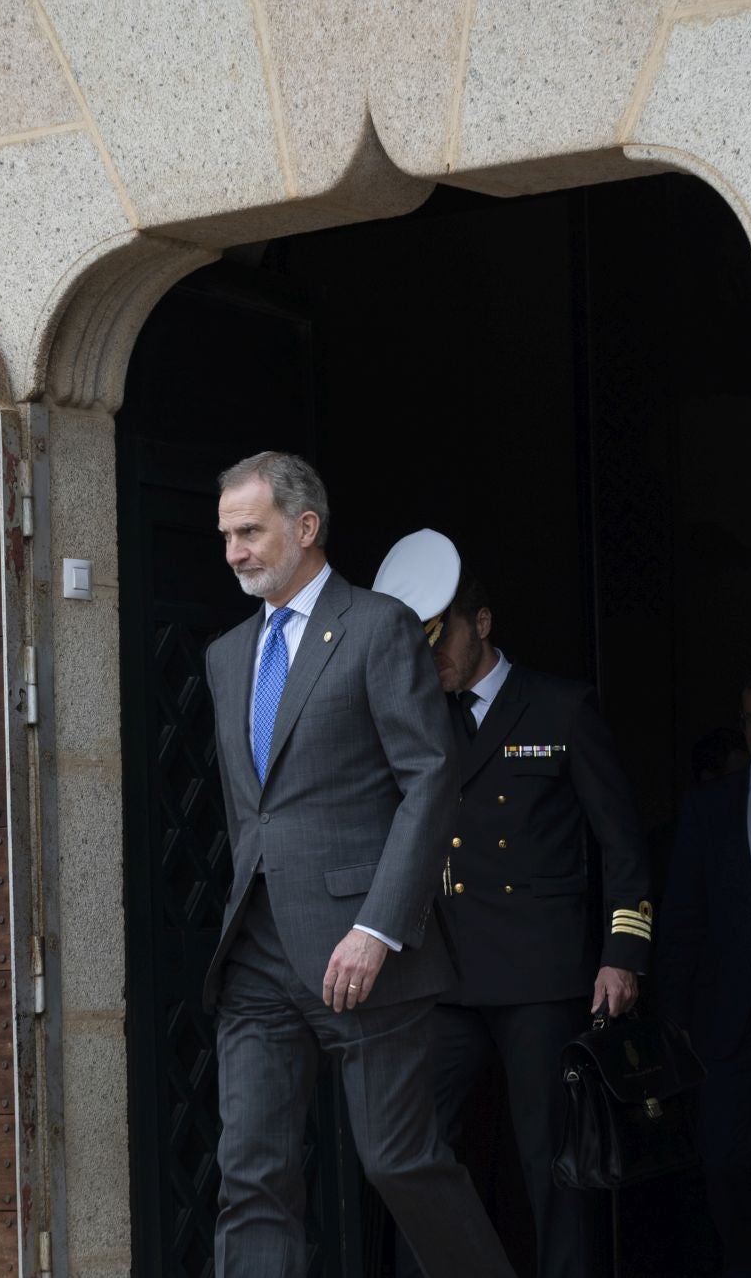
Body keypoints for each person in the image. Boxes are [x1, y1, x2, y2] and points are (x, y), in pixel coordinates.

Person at [203, 454, 513, 1278]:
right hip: (256, 953)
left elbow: (429, 778)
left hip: (361, 949)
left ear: (305, 528)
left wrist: (379, 926)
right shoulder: (226, 655)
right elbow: (254, 810)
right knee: (252, 1174)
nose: (234, 549)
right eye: (226, 534)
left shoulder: (377, 626)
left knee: (399, 1161)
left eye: (250, 530)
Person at [388, 552, 653, 1278]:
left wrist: (623, 954)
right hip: (444, 976)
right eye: (420, 642)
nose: (431, 656)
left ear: (481, 623)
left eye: (442, 637)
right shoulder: (418, 717)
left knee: (554, 1164)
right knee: (414, 1150)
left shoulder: (561, 708)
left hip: (540, 976)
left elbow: (622, 846)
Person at [655, 670, 751, 1278]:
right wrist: (672, 1015)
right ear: (741, 726)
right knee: (723, 1165)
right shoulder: (708, 807)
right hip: (720, 1025)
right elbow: (682, 915)